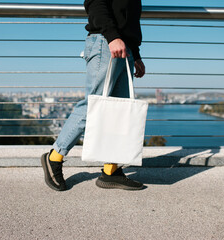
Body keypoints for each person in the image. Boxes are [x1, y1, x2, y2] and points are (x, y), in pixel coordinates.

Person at [41, 0, 146, 191]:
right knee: (93, 106)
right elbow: (95, 2)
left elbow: (128, 19)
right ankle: (54, 157)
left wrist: (136, 54)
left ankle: (111, 171)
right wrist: (113, 36)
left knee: (118, 112)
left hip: (125, 49)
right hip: (106, 43)